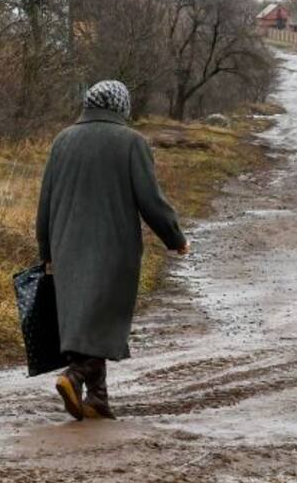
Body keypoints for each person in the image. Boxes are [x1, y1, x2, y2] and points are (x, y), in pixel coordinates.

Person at [36, 80, 189, 420]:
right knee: (104, 316)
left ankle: (98, 400)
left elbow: (45, 200)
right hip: (113, 247)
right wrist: (175, 238)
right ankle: (74, 377)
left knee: (85, 317)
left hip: (66, 244)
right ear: (122, 107)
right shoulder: (131, 142)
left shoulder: (63, 140)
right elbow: (150, 200)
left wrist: (45, 248)